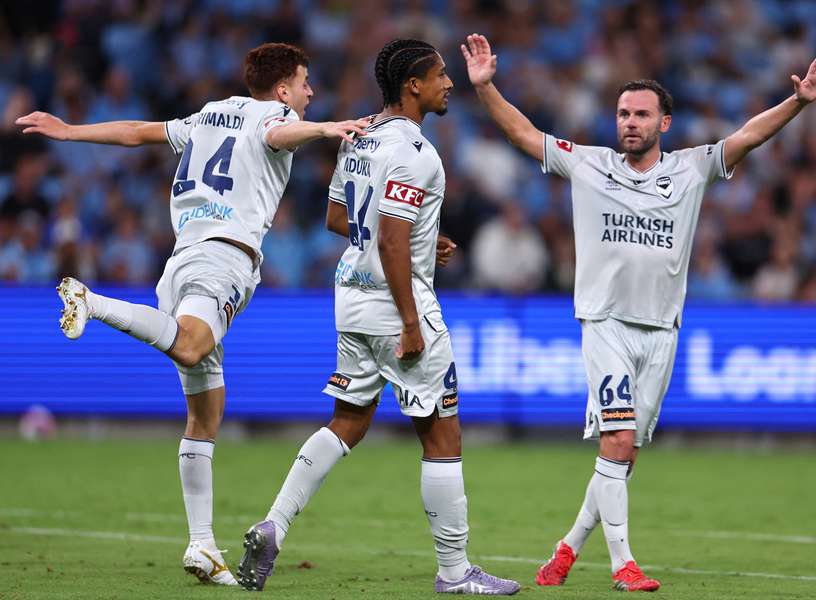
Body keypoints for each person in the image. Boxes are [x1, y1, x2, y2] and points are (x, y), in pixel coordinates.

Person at [461, 33, 816, 592]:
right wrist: (487, 86)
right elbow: (522, 132)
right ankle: (623, 566)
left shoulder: (691, 169)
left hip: (662, 331)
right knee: (616, 443)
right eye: (622, 113)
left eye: (641, 114)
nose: (629, 122)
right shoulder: (588, 165)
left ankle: (566, 549)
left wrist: (799, 102)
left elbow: (748, 136)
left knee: (624, 454)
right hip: (606, 323)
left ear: (665, 122)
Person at [16, 42, 369, 586]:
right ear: (282, 90)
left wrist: (70, 131)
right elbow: (279, 133)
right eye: (304, 82)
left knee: (205, 415)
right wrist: (325, 128)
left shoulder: (209, 113)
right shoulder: (276, 115)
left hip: (182, 258)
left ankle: (202, 545)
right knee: (190, 344)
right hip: (223, 257)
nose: (309, 92)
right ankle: (91, 301)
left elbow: (138, 131)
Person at [237, 38, 520, 596]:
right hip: (398, 306)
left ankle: (275, 522)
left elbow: (341, 219)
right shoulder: (416, 154)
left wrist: (419, 235)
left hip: (351, 300)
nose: (448, 84)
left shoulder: (358, 139)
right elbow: (390, 242)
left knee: (347, 422)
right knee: (443, 434)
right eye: (440, 75)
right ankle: (455, 572)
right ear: (413, 85)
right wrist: (413, 323)